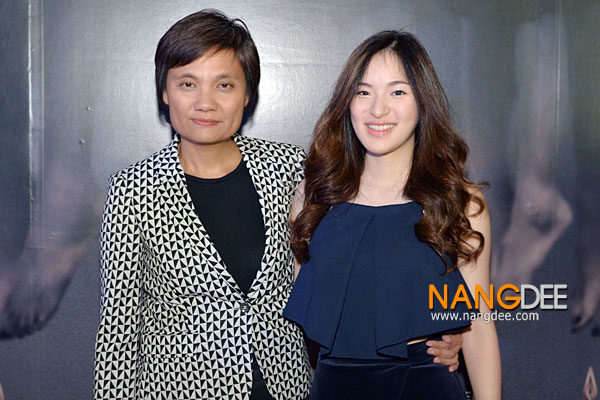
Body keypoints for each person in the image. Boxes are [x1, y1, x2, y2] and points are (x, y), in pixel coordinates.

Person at [93, 10, 464, 400]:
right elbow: (118, 326)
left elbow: (357, 266)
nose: (206, 103)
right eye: (188, 84)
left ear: (247, 93)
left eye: (224, 85)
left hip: (288, 386)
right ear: (165, 92)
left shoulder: (290, 170)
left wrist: (439, 328)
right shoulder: (133, 189)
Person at [284, 30, 501, 399]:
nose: (378, 109)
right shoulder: (314, 197)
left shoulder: (459, 201)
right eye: (363, 92)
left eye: (397, 92)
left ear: (422, 102)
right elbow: (311, 318)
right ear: (347, 102)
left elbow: (479, 329)